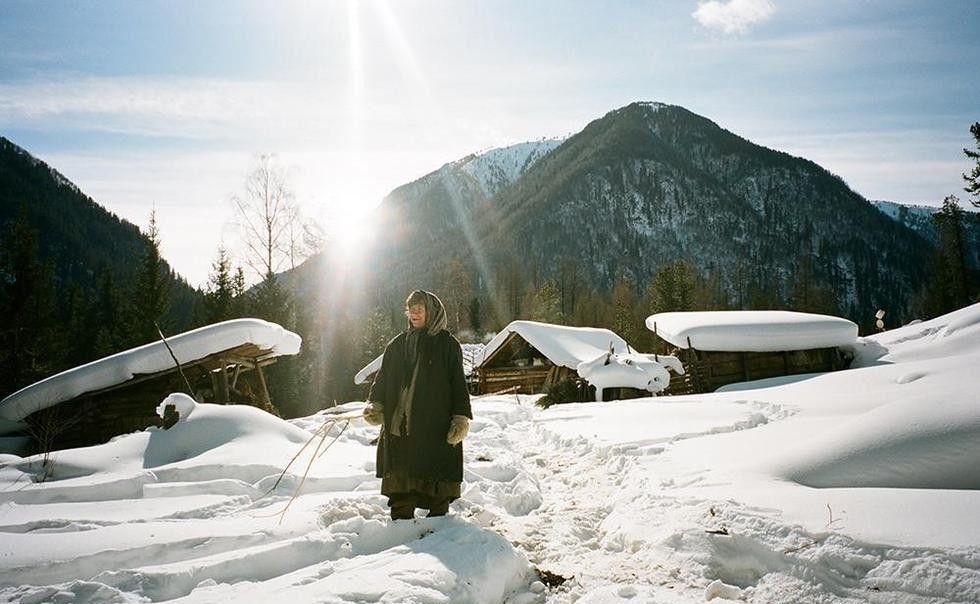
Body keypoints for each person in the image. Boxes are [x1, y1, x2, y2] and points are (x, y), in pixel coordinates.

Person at [362, 289, 472, 520]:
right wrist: (377, 404)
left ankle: (440, 530)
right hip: (398, 424)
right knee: (402, 473)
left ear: (432, 312)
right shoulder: (397, 345)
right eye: (411, 309)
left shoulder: (448, 345)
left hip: (435, 422)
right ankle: (401, 526)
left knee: (436, 471)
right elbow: (383, 378)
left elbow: (458, 385)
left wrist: (460, 418)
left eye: (420, 308)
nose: (414, 313)